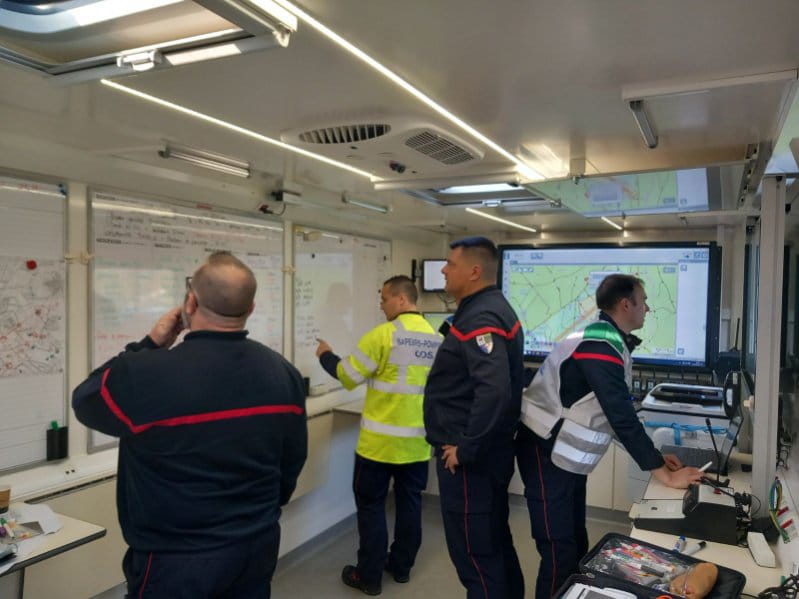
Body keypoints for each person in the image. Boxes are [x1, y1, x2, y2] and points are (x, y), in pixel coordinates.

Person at [72, 251, 307, 599]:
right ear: (251, 308)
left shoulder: (145, 372)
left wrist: (149, 344)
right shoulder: (282, 371)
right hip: (256, 544)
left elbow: (86, 399)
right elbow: (292, 459)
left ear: (190, 303)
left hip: (174, 558)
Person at [515, 273, 703, 598]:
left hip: (566, 459)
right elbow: (619, 414)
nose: (647, 309)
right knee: (559, 552)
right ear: (625, 304)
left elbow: (609, 414)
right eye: (643, 302)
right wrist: (665, 476)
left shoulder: (608, 340)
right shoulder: (600, 343)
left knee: (576, 543)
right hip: (545, 453)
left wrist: (658, 461)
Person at [315, 275, 441, 596]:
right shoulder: (437, 340)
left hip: (378, 448)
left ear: (401, 300)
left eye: (384, 299)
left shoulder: (383, 336)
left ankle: (368, 576)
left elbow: (347, 375)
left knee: (371, 507)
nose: (381, 305)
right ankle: (401, 568)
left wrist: (325, 354)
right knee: (409, 505)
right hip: (416, 445)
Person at [423, 236, 525, 599]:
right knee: (494, 544)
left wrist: (465, 449)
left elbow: (494, 390)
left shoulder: (481, 317)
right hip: (487, 455)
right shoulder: (489, 308)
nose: (444, 270)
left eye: (450, 264)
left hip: (469, 463)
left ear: (474, 270)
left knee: (477, 558)